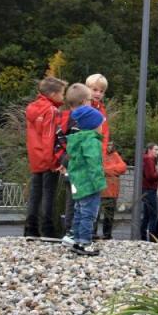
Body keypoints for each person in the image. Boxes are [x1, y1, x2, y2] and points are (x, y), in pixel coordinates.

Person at [24, 76, 68, 240]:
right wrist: (53, 161)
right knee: (48, 194)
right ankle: (47, 229)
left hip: (35, 157)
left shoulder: (31, 108)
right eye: (62, 93)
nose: (63, 97)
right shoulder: (51, 111)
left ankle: (31, 228)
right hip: (48, 158)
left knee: (35, 194)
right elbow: (49, 138)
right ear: (53, 93)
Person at [65, 105, 107, 256]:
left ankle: (76, 239)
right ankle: (84, 242)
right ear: (94, 126)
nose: (102, 127)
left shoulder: (76, 140)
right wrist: (99, 183)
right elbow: (94, 164)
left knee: (79, 211)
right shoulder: (92, 142)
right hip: (90, 184)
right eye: (101, 124)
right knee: (89, 214)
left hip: (77, 182)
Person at [59, 83, 91, 245]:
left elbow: (59, 142)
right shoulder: (81, 121)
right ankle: (73, 233)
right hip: (78, 169)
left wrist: (62, 160)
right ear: (85, 101)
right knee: (78, 202)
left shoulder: (66, 119)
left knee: (74, 201)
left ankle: (71, 232)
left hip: (70, 168)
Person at [94, 142, 127, 240]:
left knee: (109, 215)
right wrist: (112, 171)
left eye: (111, 145)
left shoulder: (116, 155)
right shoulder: (100, 155)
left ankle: (107, 234)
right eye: (108, 145)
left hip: (112, 191)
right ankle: (93, 233)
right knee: (96, 214)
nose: (110, 147)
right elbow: (98, 169)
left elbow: (123, 168)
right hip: (100, 190)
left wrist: (107, 171)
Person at [85, 73, 111, 155]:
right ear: (87, 89)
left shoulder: (101, 109)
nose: (98, 94)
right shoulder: (82, 108)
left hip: (98, 152)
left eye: (101, 91)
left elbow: (105, 133)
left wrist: (102, 152)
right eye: (95, 90)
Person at [140, 142, 158, 240]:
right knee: (153, 215)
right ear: (150, 150)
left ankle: (142, 236)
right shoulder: (149, 159)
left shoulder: (146, 159)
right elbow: (151, 176)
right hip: (150, 189)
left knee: (147, 215)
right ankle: (152, 238)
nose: (157, 151)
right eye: (155, 149)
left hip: (146, 189)